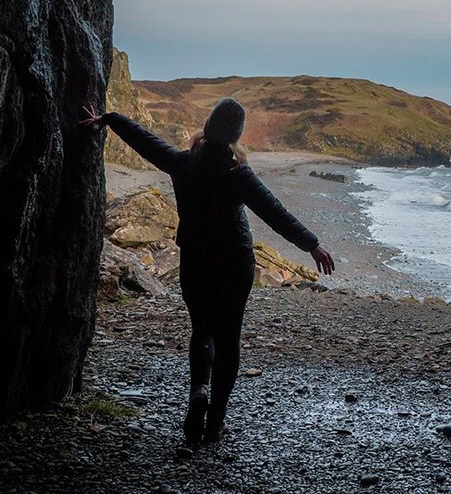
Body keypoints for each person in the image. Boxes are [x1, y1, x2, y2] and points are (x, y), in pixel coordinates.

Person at [81, 97, 334, 445]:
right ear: (235, 136)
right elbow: (274, 212)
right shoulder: (238, 173)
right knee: (228, 339)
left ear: (208, 127)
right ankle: (215, 423)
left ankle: (198, 390)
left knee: (202, 330)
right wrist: (312, 245)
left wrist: (110, 118)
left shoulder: (183, 163)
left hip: (196, 259)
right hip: (234, 262)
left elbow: (143, 140)